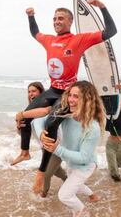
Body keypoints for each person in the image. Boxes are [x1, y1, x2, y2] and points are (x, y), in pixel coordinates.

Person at [16, 0, 117, 194]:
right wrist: (31, 16)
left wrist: (103, 7)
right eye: (54, 19)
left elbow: (111, 31)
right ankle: (25, 152)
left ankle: (41, 171)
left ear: (70, 21)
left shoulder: (79, 39)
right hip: (53, 89)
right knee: (24, 116)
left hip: (67, 92)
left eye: (61, 18)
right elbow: (35, 32)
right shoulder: (49, 40)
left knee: (50, 123)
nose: (56, 22)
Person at [37, 81, 104, 216]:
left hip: (85, 165)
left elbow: (84, 157)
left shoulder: (92, 128)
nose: (71, 100)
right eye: (70, 95)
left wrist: (57, 149)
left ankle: (83, 212)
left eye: (76, 96)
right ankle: (92, 195)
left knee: (65, 195)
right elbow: (38, 120)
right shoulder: (67, 115)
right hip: (70, 162)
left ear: (87, 100)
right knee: (75, 185)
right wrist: (40, 133)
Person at [11, 82, 68, 197]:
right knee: (57, 171)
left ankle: (43, 194)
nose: (31, 94)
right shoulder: (29, 113)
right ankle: (70, 182)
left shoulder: (49, 108)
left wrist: (42, 134)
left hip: (56, 148)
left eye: (34, 91)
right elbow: (23, 133)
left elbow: (43, 123)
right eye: (29, 91)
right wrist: (19, 127)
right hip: (45, 149)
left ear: (41, 94)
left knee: (46, 174)